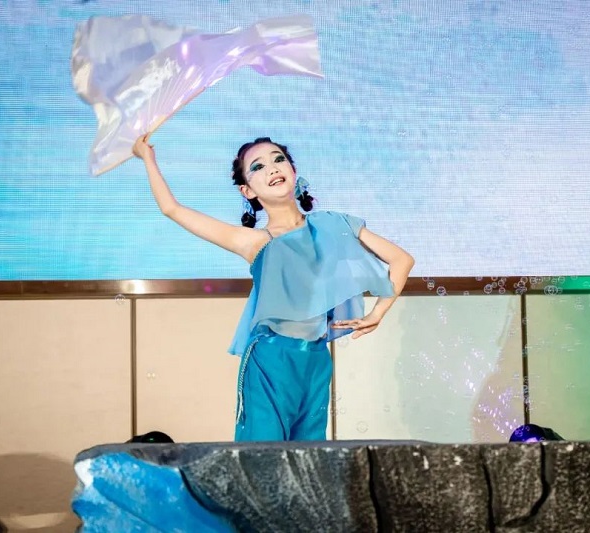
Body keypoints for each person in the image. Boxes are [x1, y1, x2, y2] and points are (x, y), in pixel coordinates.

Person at [132, 133, 415, 441]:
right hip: (270, 358)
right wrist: (147, 158)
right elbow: (172, 209)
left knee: (309, 457)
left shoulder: (334, 224)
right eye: (258, 166)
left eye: (278, 159)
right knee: (263, 455)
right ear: (247, 190)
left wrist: (378, 313)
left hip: (317, 359)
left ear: (293, 171)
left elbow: (401, 260)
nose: (272, 168)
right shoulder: (254, 241)